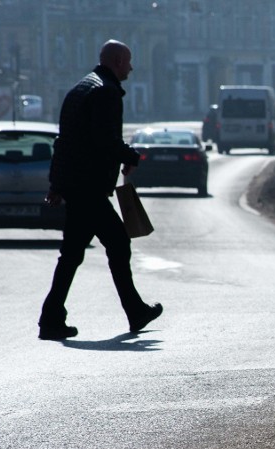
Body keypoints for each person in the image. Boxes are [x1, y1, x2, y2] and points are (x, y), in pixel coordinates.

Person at [38, 39, 162, 340]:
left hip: (77, 185)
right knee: (118, 244)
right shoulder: (105, 92)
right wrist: (132, 156)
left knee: (71, 255)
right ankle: (134, 311)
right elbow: (104, 139)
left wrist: (57, 184)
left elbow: (64, 142)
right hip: (89, 187)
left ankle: (51, 318)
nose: (131, 67)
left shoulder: (80, 88)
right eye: (129, 61)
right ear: (117, 61)